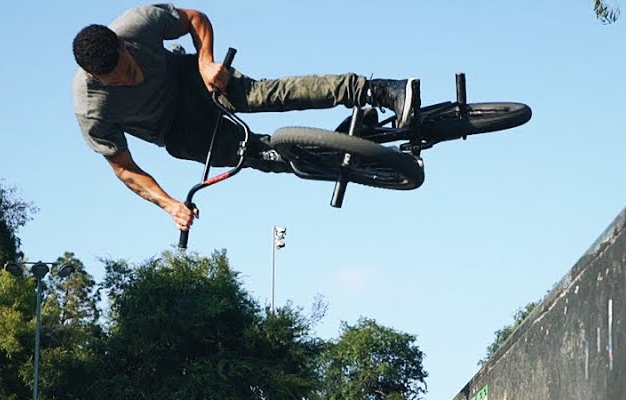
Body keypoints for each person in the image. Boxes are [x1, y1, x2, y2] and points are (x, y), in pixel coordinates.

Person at [72, 5, 419, 234]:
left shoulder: (138, 23)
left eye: (128, 67)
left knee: (265, 94)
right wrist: (170, 204)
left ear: (121, 43)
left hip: (189, 79)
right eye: (117, 81)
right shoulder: (91, 107)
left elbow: (194, 19)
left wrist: (206, 62)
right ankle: (350, 151)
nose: (130, 79)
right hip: (176, 131)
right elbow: (124, 168)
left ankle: (379, 90)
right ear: (95, 77)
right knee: (257, 155)